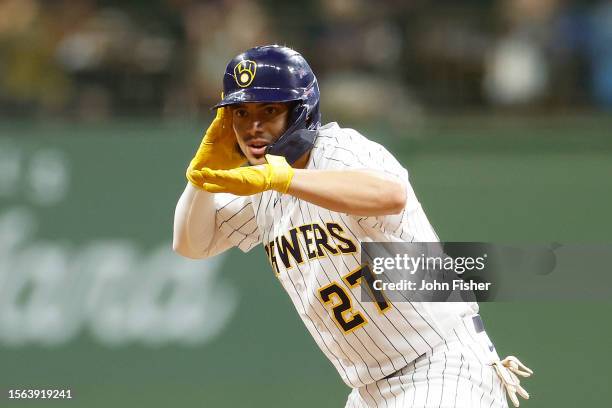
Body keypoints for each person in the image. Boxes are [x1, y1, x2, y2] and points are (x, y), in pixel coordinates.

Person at [173, 45, 532, 408]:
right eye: (240, 112)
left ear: (301, 110)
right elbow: (192, 245)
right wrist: (201, 180)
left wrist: (282, 179)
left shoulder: (341, 149)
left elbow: (390, 195)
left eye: (269, 110)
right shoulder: (263, 185)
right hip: (369, 391)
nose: (253, 126)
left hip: (441, 363)